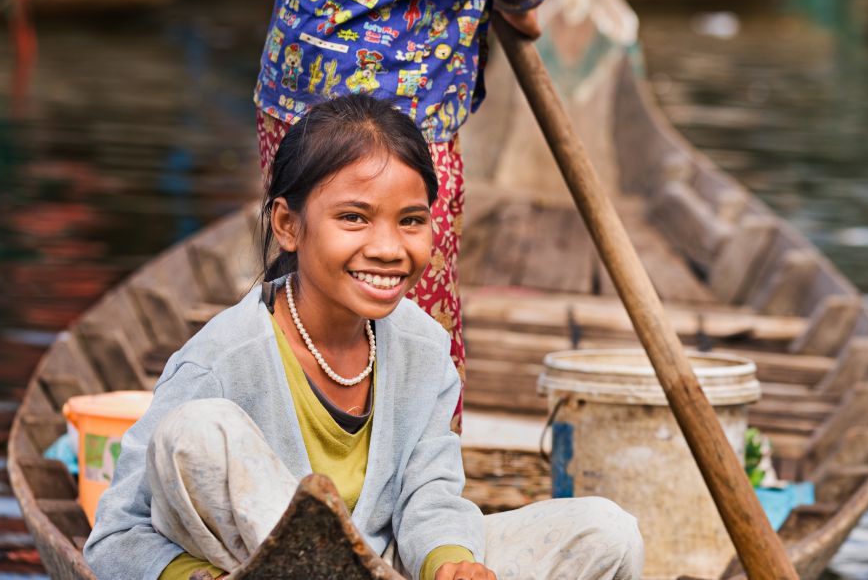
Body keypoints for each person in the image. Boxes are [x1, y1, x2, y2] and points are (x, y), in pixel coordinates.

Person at [84, 96, 643, 580]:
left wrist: (450, 562)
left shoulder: (424, 347)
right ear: (288, 225)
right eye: (354, 218)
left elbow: (430, 497)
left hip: (390, 567)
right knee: (197, 431)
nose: (388, 247)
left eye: (411, 220)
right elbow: (114, 541)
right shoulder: (221, 361)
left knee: (607, 534)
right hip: (257, 570)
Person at [253, 0, 572, 430]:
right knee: (411, 308)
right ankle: (416, 484)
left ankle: (301, 453)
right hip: (405, 106)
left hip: (298, 63)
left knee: (304, 277)